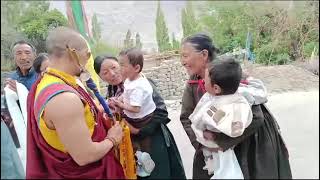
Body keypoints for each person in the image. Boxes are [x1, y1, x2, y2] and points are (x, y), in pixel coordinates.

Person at [179, 33, 292, 179]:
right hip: (213, 147)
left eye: (185, 55)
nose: (182, 61)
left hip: (248, 143)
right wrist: (204, 144)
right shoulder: (193, 83)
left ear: (204, 54)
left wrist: (222, 142)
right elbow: (186, 117)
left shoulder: (228, 73)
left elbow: (257, 117)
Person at [26, 26, 125, 178]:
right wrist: (113, 138)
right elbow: (84, 156)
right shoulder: (63, 98)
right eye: (87, 54)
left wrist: (99, 110)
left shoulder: (50, 82)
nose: (88, 61)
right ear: (73, 52)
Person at [94, 54, 186, 179]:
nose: (112, 74)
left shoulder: (141, 84)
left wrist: (138, 131)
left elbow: (161, 113)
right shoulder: (112, 92)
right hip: (133, 145)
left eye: (114, 67)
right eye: (105, 73)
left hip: (154, 140)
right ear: (100, 77)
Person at [190, 58, 253, 179]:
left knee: (226, 172)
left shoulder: (234, 104)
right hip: (209, 146)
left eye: (206, 79)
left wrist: (214, 135)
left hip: (220, 147)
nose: (203, 80)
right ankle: (210, 163)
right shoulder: (215, 96)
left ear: (216, 88)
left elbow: (233, 126)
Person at [111, 48, 157, 177]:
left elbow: (136, 108)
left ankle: (144, 159)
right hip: (137, 115)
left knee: (138, 140)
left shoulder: (138, 87)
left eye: (122, 65)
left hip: (141, 118)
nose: (119, 69)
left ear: (136, 68)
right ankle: (141, 156)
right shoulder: (130, 79)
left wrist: (121, 105)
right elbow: (126, 94)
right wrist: (119, 99)